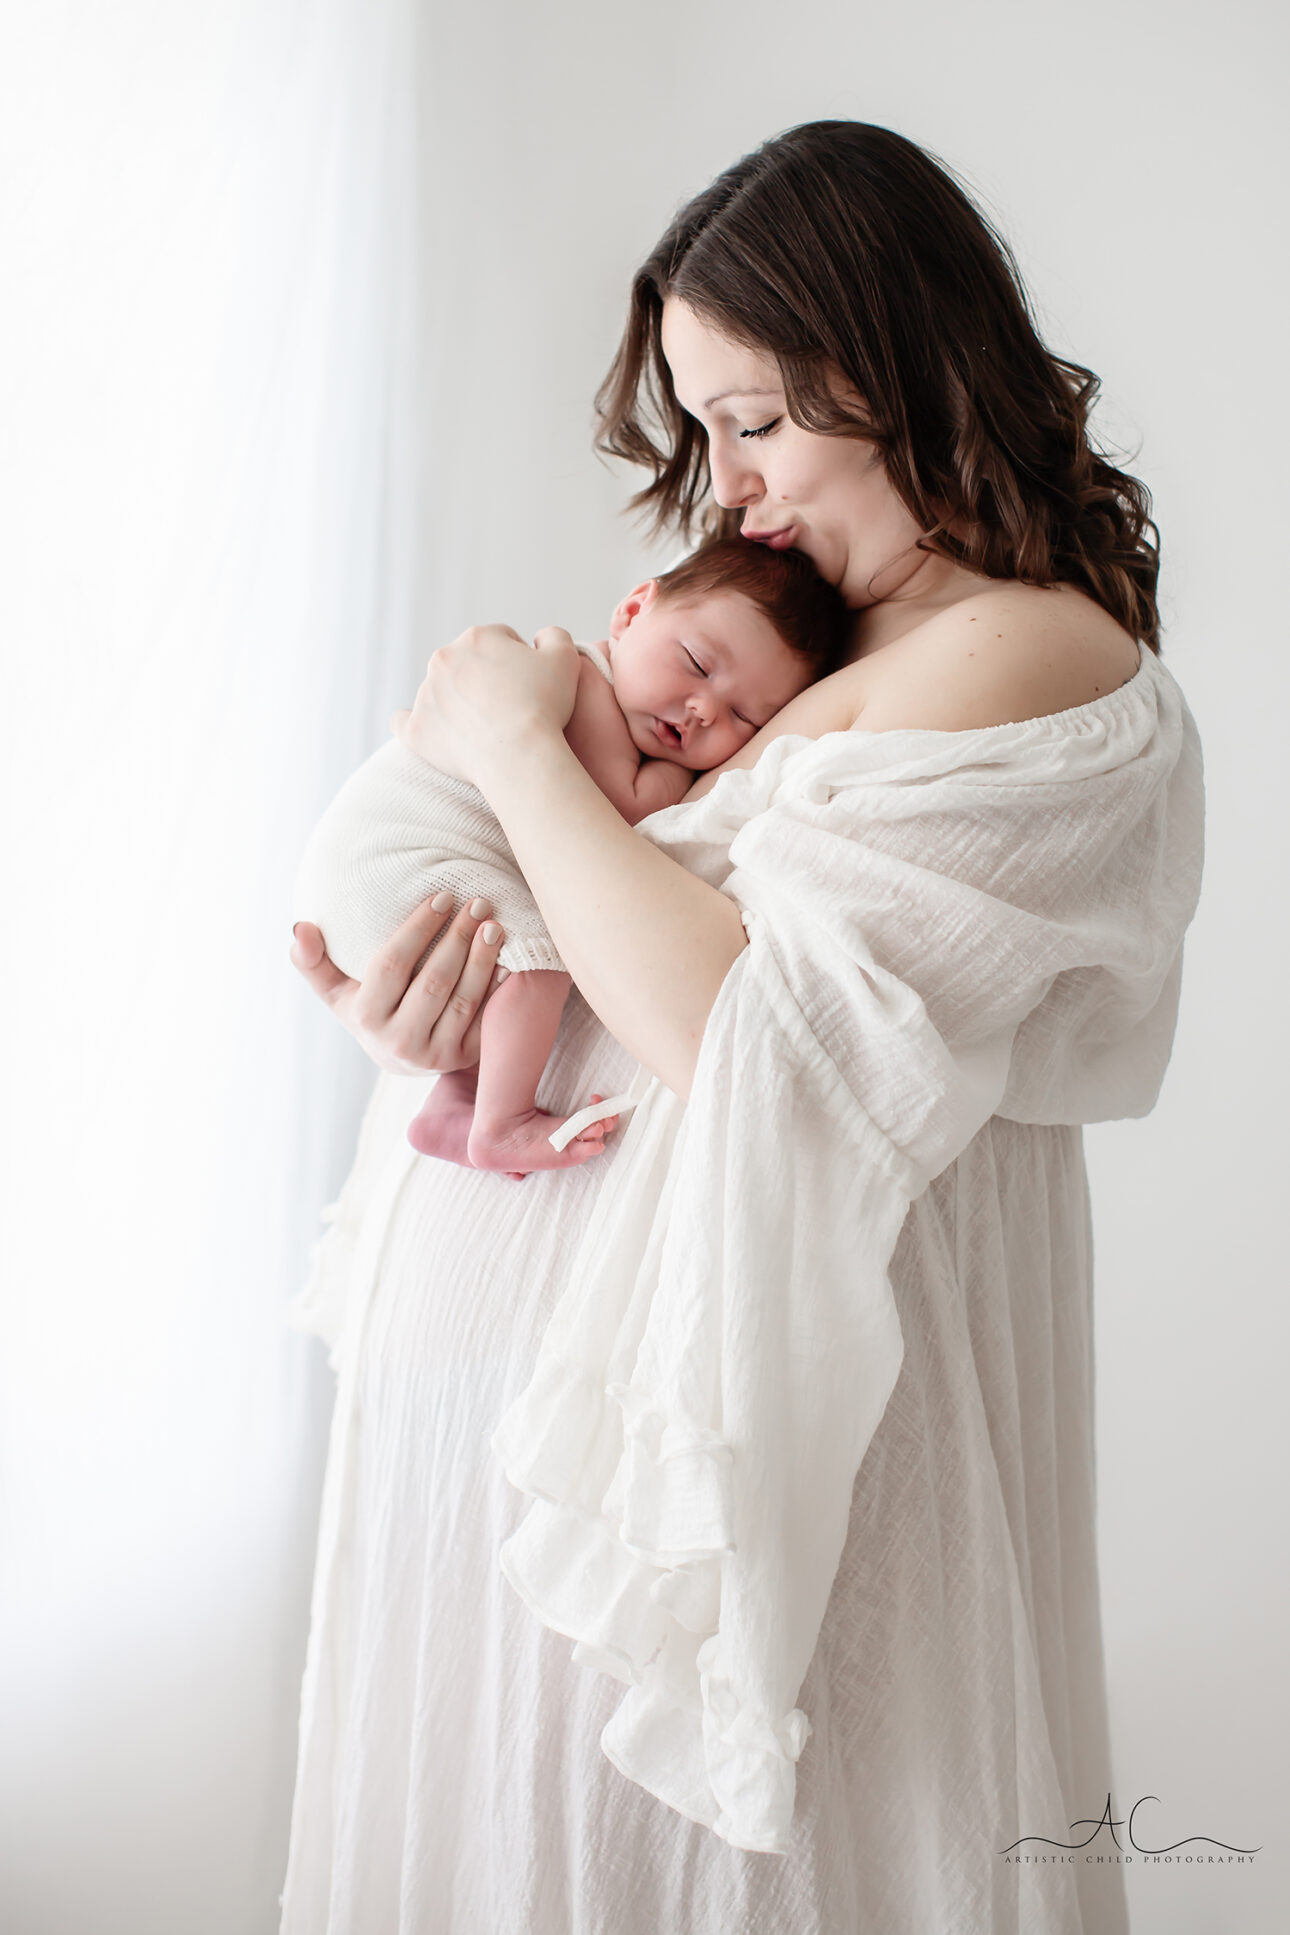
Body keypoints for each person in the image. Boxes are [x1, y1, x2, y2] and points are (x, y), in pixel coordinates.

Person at [283, 121, 1203, 1934]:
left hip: (771, 1494)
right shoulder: (821, 648)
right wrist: (444, 1015)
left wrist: (508, 754)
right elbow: (621, 965)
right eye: (707, 429)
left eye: (758, 419)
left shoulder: (1024, 651)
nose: (733, 484)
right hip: (559, 1463)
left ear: (902, 362)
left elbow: (747, 1037)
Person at [292, 539, 848, 1175]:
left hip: (368, 876)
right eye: (696, 663)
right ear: (634, 611)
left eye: (745, 718)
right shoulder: (582, 682)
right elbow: (628, 805)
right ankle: (502, 1122)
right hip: (393, 867)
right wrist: (709, 776)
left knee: (503, 958)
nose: (703, 710)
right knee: (539, 960)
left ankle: (459, 1099)